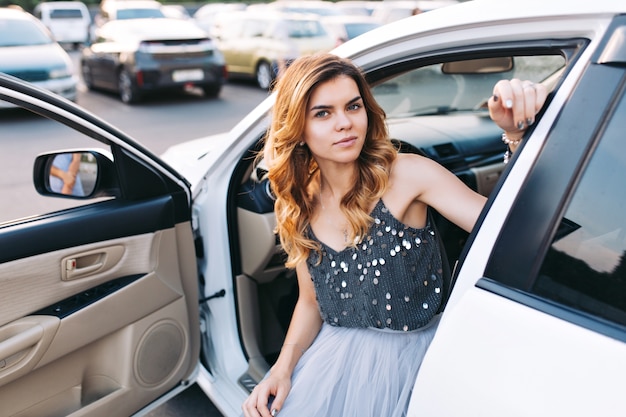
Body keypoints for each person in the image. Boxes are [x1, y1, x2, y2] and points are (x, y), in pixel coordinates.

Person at [242, 53, 547, 417]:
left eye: (353, 106)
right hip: (335, 362)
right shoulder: (298, 200)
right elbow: (311, 302)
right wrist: (283, 367)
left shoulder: (408, 175)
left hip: (421, 358)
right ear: (299, 129)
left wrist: (515, 136)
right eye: (323, 113)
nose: (345, 123)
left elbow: (512, 232)